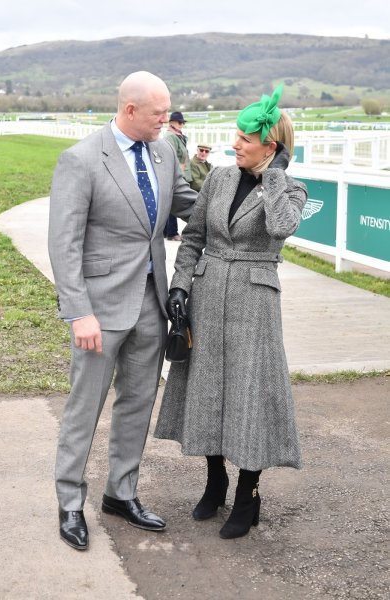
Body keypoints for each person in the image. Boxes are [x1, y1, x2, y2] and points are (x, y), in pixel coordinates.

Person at [48, 71, 197, 550]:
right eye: (158, 113)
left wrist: (250, 194)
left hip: (152, 305)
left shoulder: (164, 152)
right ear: (130, 110)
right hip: (99, 310)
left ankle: (121, 493)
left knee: (137, 404)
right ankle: (70, 501)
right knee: (84, 407)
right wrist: (78, 312)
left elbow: (189, 204)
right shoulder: (81, 160)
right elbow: (64, 244)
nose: (165, 120)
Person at [155, 85, 308, 539]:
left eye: (245, 138)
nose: (235, 143)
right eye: (236, 136)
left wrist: (275, 176)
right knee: (209, 390)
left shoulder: (291, 190)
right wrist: (181, 285)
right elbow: (195, 236)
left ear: (270, 146)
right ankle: (215, 479)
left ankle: (248, 495)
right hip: (207, 293)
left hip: (255, 303)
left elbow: (281, 227)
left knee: (249, 395)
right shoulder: (220, 178)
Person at [163, 111, 192, 241]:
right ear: (172, 123)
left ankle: (167, 232)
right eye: (180, 122)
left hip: (181, 173)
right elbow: (171, 156)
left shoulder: (178, 136)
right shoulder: (170, 136)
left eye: (182, 123)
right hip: (175, 174)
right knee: (174, 203)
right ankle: (172, 233)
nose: (181, 125)